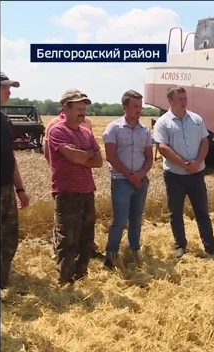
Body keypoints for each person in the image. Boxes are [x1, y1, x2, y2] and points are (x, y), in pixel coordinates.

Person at [153, 86, 214, 258]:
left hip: (196, 174)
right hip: (174, 176)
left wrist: (197, 162)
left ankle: (210, 247)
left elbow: (204, 142)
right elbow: (162, 147)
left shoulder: (196, 119)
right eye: (180, 99)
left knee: (202, 212)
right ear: (170, 101)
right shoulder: (163, 122)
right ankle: (180, 246)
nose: (184, 102)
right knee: (175, 212)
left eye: (185, 98)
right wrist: (184, 164)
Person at [47, 89, 103, 285]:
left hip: (87, 190)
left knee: (86, 238)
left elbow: (99, 161)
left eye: (84, 108)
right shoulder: (57, 131)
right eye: (78, 108)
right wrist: (85, 154)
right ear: (65, 108)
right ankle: (65, 280)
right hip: (67, 192)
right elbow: (74, 157)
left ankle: (81, 276)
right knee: (67, 239)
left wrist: (81, 155)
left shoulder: (86, 132)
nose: (82, 111)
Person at [102, 90, 153, 269]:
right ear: (125, 107)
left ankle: (133, 251)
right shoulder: (113, 128)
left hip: (140, 180)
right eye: (135, 106)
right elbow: (111, 156)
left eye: (140, 106)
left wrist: (139, 176)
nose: (139, 110)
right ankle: (111, 255)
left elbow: (149, 158)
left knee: (136, 219)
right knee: (120, 220)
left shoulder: (145, 131)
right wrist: (130, 176)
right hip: (120, 180)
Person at [0, 72, 30, 289]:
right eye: (5, 87)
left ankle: (2, 282)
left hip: (6, 188)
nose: (9, 91)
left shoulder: (4, 120)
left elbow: (10, 157)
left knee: (9, 239)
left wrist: (20, 189)